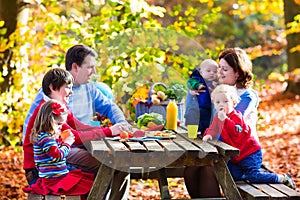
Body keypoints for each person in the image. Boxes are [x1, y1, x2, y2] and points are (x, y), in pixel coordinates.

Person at [23, 68, 127, 185]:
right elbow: (75, 137)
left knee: (106, 162)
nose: (71, 92)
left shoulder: (60, 105)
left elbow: (79, 127)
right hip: (42, 169)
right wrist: (109, 131)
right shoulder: (49, 110)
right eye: (67, 87)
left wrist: (111, 130)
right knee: (102, 163)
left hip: (54, 157)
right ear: (52, 87)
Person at [184, 48, 260, 198]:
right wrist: (192, 94)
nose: (219, 73)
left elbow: (230, 122)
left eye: (224, 69)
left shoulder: (247, 96)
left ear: (237, 72)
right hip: (219, 147)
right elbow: (195, 81)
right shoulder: (219, 90)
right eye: (219, 68)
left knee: (209, 169)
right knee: (191, 168)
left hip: (242, 155)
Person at [202, 84, 296, 189]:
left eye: (225, 101)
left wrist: (225, 120)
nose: (221, 105)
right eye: (218, 102)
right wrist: (209, 135)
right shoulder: (218, 117)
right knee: (232, 175)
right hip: (237, 157)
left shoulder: (236, 116)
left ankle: (282, 178)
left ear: (233, 103)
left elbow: (236, 131)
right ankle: (244, 174)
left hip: (250, 152)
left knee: (253, 176)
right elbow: (213, 128)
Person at [23, 100, 95, 199]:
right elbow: (57, 156)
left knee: (87, 182)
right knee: (87, 186)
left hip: (57, 175)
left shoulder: (46, 136)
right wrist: (67, 143)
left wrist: (62, 141)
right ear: (49, 121)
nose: (61, 127)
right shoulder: (46, 139)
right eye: (59, 124)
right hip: (54, 180)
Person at [185, 59, 218, 135]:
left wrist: (216, 86)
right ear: (201, 72)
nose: (212, 73)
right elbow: (189, 82)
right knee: (194, 118)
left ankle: (205, 132)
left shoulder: (215, 82)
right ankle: (194, 131)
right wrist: (197, 86)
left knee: (207, 122)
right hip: (197, 106)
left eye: (215, 72)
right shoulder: (198, 80)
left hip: (209, 108)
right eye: (208, 71)